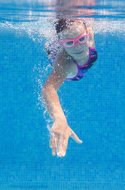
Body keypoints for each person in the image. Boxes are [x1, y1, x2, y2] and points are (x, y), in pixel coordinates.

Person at [41, 18, 97, 157]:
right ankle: (51, 45)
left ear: (88, 33)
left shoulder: (88, 36)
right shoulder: (66, 62)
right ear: (62, 43)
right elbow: (48, 88)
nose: (78, 47)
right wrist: (59, 118)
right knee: (50, 48)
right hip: (66, 65)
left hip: (79, 64)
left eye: (81, 39)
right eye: (70, 43)